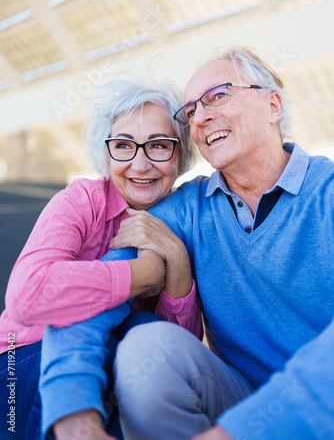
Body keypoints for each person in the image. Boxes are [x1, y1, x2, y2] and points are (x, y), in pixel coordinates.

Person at [47, 44, 333, 439]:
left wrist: (235, 432)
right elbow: (93, 294)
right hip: (239, 399)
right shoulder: (185, 210)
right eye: (191, 110)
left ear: (273, 105)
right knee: (146, 346)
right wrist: (74, 415)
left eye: (218, 95)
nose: (201, 117)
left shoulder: (328, 192)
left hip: (318, 411)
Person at [0, 73, 201, 440]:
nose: (140, 165)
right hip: (20, 358)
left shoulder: (182, 218)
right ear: (105, 152)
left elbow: (172, 352)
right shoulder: (81, 201)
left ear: (181, 153)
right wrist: (140, 274)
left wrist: (177, 260)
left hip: (113, 365)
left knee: (142, 338)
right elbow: (27, 295)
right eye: (123, 145)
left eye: (158, 145)